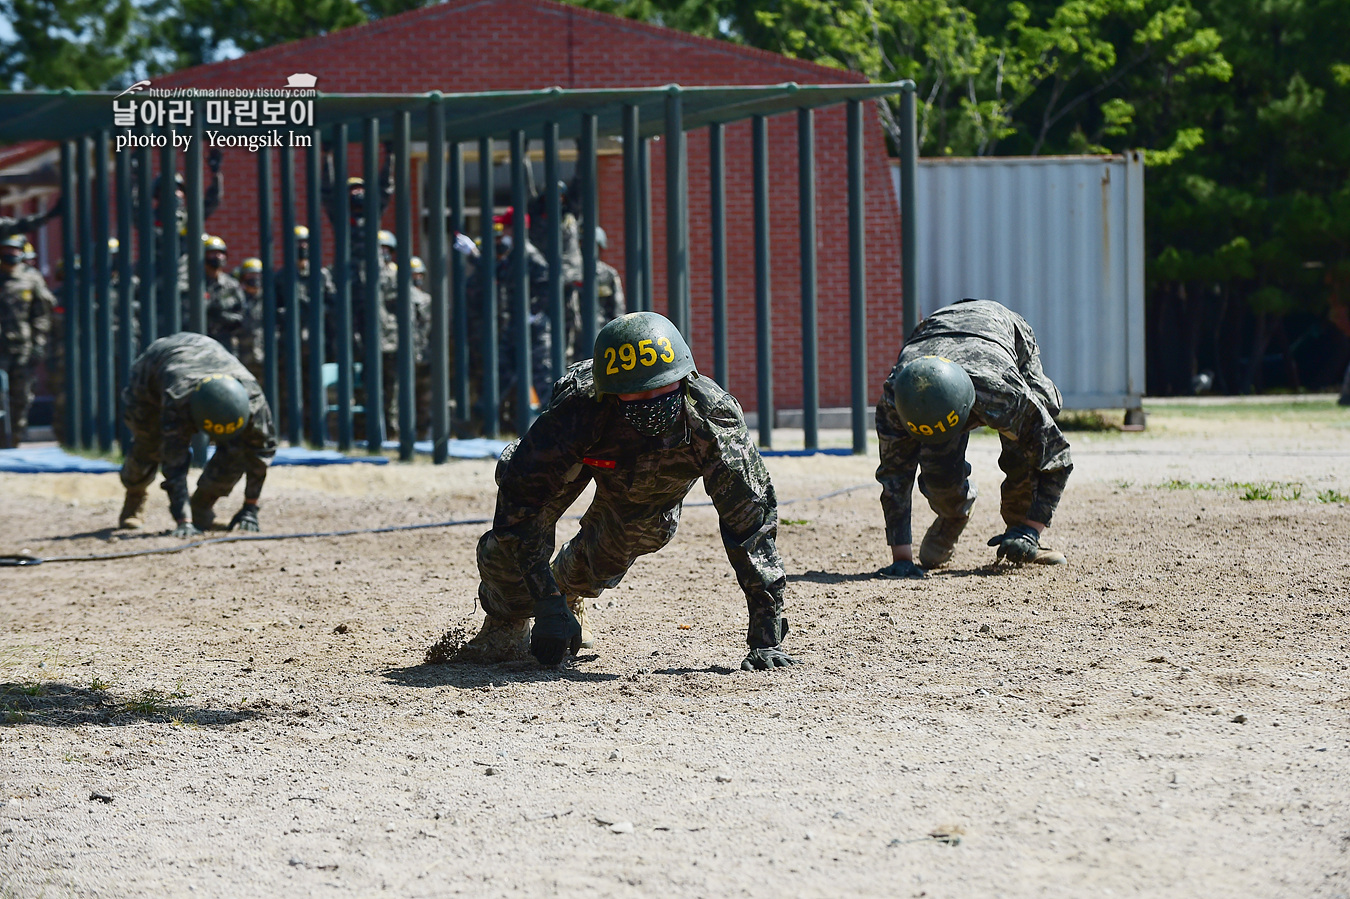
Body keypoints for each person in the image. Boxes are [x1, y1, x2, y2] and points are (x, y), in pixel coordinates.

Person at [452, 310, 797, 671]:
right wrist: (543, 601)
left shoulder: (711, 421)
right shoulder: (578, 409)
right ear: (612, 394)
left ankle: (569, 592)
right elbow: (520, 505)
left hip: (651, 467)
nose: (650, 401)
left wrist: (765, 637)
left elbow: (750, 525)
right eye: (636, 394)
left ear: (685, 378)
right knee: (507, 547)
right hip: (586, 448)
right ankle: (505, 625)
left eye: (662, 389)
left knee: (622, 543)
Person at [874, 298, 1072, 577]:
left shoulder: (1002, 392)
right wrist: (901, 558)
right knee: (939, 467)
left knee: (1024, 447)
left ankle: (1021, 536)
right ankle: (953, 513)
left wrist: (1030, 528)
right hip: (934, 332)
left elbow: (1055, 456)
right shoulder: (898, 401)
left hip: (1001, 334)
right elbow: (894, 474)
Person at [117, 332, 277, 537]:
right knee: (150, 443)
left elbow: (260, 453)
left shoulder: (253, 400)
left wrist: (250, 508)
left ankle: (201, 506)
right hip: (153, 371)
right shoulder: (177, 398)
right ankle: (135, 496)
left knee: (237, 450)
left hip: (205, 357)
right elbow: (174, 461)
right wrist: (183, 520)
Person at [0, 234, 56, 446]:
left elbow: (41, 314)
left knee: (20, 395)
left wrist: (38, 343)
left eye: (13, 250)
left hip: (22, 347)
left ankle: (14, 437)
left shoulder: (31, 279)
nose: (9, 254)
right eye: (5, 249)